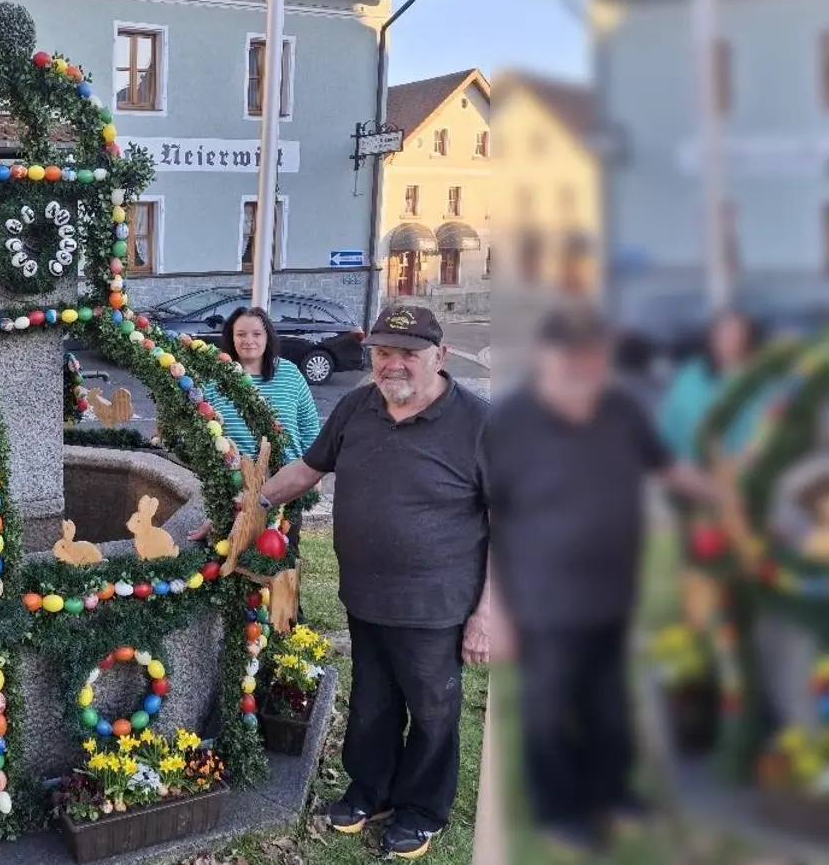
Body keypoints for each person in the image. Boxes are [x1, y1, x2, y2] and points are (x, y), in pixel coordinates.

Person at [248, 304, 492, 860]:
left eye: (409, 353)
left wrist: (487, 614)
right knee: (373, 703)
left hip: (436, 606)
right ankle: (372, 792)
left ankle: (421, 809)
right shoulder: (357, 406)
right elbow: (308, 470)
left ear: (441, 356)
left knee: (432, 710)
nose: (394, 365)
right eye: (384, 352)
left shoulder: (479, 425)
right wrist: (253, 504)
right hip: (365, 595)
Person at [485, 302, 712, 854]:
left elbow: (668, 468)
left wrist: (731, 497)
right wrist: (495, 609)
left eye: (596, 356)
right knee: (549, 711)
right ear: (546, 356)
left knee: (608, 705)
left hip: (611, 595)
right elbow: (489, 518)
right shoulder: (511, 422)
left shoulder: (621, 409)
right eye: (575, 356)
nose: (587, 367)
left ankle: (611, 792)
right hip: (541, 602)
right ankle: (559, 810)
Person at [191, 306, 321, 541]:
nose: (249, 340)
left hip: (285, 491)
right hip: (232, 491)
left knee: (280, 563)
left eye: (256, 334)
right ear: (231, 337)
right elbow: (202, 432)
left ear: (268, 337)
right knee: (228, 560)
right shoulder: (214, 379)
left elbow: (310, 429)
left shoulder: (290, 375)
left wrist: (314, 473)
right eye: (241, 334)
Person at [656, 309, 758, 467]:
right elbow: (669, 431)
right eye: (724, 334)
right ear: (712, 338)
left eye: (737, 334)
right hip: (692, 473)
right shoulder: (689, 378)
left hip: (742, 470)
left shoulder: (758, 379)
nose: (730, 341)